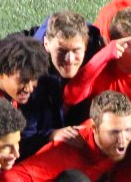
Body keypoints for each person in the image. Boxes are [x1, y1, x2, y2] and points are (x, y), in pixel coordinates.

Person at [15, 10, 108, 156]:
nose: (70, 59)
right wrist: (51, 135)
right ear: (46, 44)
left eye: (76, 51)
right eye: (61, 51)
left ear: (85, 43)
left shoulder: (96, 46)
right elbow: (21, 141)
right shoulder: (30, 79)